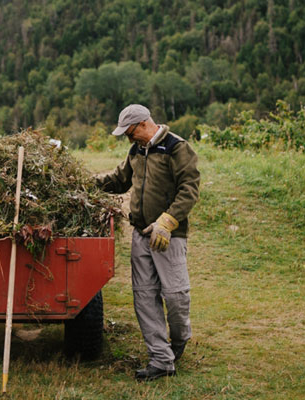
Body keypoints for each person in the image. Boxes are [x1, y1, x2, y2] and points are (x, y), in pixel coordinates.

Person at [95, 104, 200, 381]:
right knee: (144, 297)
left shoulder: (176, 148)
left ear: (143, 124)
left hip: (167, 236)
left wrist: (167, 221)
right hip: (141, 234)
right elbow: (119, 180)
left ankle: (178, 341)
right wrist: (84, 183)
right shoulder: (136, 151)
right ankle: (161, 359)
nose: (129, 140)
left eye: (131, 134)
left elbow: (189, 190)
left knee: (176, 296)